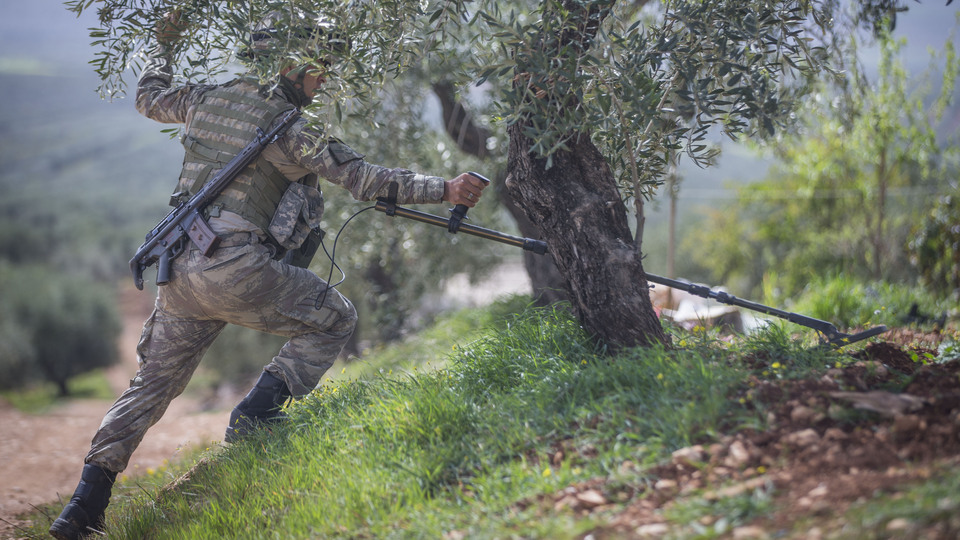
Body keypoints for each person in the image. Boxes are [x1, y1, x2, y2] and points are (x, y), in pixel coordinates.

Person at [49, 11, 486, 540]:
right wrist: (447, 189)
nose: (322, 79)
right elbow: (366, 179)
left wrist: (162, 45)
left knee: (150, 386)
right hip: (235, 268)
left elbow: (149, 97)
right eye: (317, 68)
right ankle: (255, 416)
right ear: (288, 64)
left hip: (178, 272)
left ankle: (83, 507)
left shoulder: (204, 99)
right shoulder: (292, 130)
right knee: (334, 319)